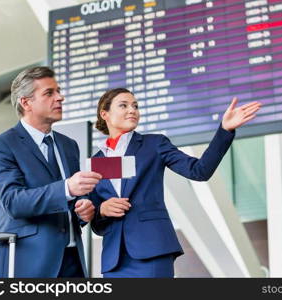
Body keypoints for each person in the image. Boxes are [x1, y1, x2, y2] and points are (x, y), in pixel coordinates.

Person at [90, 87, 262, 278]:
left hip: (152, 251)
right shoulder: (98, 161)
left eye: (135, 106)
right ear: (104, 114)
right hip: (115, 261)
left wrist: (224, 130)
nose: (132, 110)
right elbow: (97, 223)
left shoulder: (154, 144)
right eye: (124, 105)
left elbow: (199, 171)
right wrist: (102, 210)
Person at [0, 66, 102, 277]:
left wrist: (83, 209)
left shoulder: (69, 145)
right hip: (27, 264)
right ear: (26, 102)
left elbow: (73, 199)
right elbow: (13, 202)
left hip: (73, 262)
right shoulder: (1, 145)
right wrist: (68, 188)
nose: (60, 97)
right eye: (49, 93)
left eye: (58, 91)